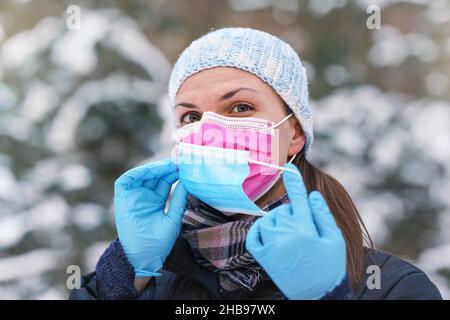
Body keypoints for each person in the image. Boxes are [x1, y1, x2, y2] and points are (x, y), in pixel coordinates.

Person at [69, 27, 442, 300]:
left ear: (294, 132)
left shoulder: (393, 287)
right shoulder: (151, 284)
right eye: (191, 117)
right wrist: (122, 279)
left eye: (240, 107)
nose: (209, 130)